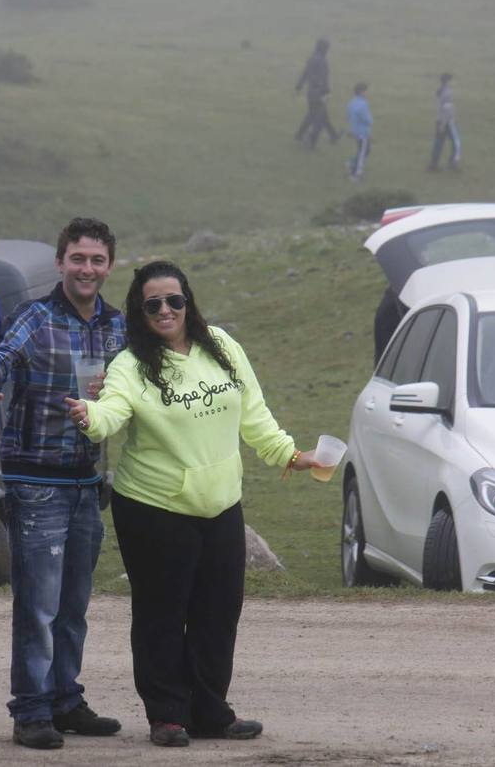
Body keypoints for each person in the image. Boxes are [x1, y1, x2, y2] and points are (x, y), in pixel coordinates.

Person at [64, 261, 328, 748]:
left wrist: (289, 454)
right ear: (139, 313)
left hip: (221, 504)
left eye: (174, 300)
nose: (165, 310)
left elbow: (255, 414)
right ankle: (167, 714)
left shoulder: (223, 346)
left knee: (218, 611)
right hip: (154, 507)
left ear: (188, 302)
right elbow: (111, 412)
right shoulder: (131, 365)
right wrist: (89, 415)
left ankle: (210, 711)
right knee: (161, 613)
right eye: (153, 304)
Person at [0, 217, 128, 750]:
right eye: (78, 258)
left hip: (87, 482)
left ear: (109, 265)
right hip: (35, 481)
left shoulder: (117, 327)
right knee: (38, 603)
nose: (87, 268)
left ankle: (66, 699)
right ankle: (30, 710)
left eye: (97, 260)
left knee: (75, 602)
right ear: (61, 263)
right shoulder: (35, 318)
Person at [293, 37, 340, 149]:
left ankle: (333, 136)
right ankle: (310, 141)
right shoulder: (323, 61)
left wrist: (299, 86)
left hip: (311, 92)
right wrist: (326, 92)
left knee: (316, 114)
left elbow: (305, 73)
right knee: (318, 118)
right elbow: (324, 78)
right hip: (319, 93)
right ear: (325, 48)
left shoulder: (311, 58)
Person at [426, 72, 460, 171]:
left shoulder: (441, 90)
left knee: (438, 143)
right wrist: (444, 124)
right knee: (456, 143)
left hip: (439, 120)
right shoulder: (448, 93)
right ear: (448, 81)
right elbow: (447, 109)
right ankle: (453, 163)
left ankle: (433, 164)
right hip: (447, 122)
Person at [346, 81, 373, 182]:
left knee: (366, 150)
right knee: (362, 152)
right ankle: (356, 174)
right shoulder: (363, 105)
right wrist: (370, 122)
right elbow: (368, 120)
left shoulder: (351, 102)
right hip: (363, 133)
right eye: (366, 91)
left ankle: (351, 163)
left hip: (355, 131)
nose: (367, 93)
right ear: (361, 92)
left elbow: (348, 116)